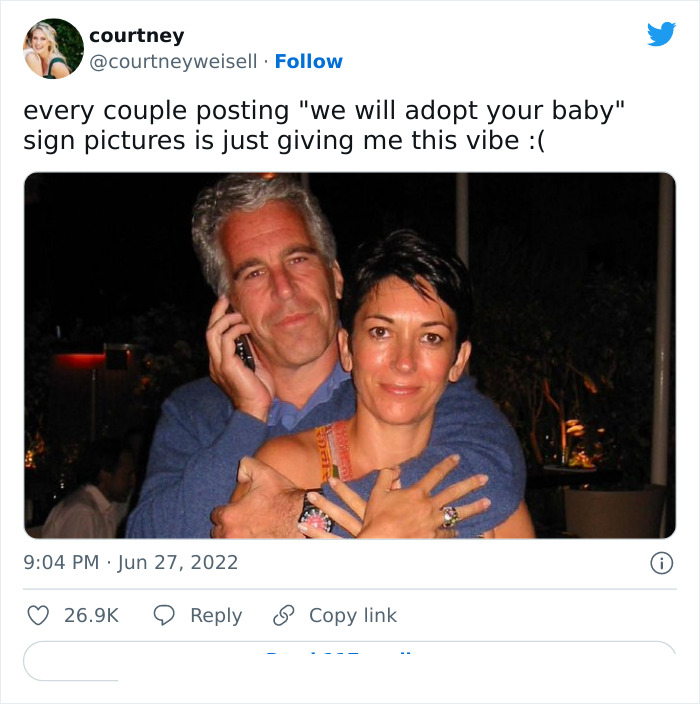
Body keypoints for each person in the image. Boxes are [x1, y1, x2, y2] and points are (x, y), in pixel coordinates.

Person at [127, 174, 527, 539]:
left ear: (335, 277)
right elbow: (152, 550)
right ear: (229, 304)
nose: (284, 288)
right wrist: (247, 416)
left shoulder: (398, 386)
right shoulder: (195, 413)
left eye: (297, 259)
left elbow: (492, 471)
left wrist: (296, 516)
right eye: (254, 273)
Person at [241, 230, 533, 538]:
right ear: (347, 348)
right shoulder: (280, 474)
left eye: (430, 337)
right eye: (381, 332)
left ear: (458, 361)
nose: (404, 361)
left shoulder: (485, 498)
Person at [42, 439, 135, 539]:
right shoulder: (82, 513)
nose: (133, 482)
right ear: (104, 474)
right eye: (127, 475)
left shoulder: (110, 508)